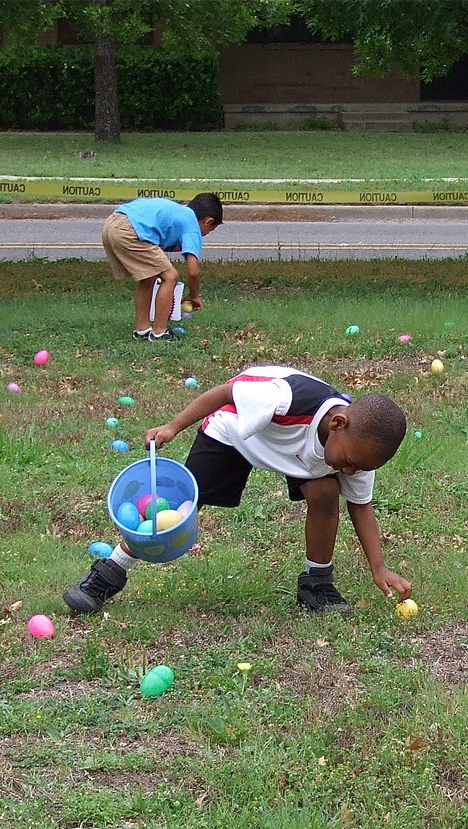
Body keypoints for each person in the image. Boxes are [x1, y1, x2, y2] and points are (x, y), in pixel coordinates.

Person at [64, 365, 412, 616]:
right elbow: (228, 391)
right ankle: (108, 573)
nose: (350, 471)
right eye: (349, 462)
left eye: (358, 468)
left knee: (325, 492)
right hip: (235, 435)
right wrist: (173, 427)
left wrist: (379, 568)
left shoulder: (357, 451)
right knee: (180, 508)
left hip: (299, 457)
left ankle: (317, 586)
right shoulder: (285, 399)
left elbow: (361, 508)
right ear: (338, 424)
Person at [101, 193, 223, 342]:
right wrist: (194, 295)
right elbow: (193, 271)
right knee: (170, 277)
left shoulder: (179, 213)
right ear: (208, 221)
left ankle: (142, 330)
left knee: (149, 276)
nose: (205, 235)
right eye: (209, 230)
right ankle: (159, 332)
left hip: (112, 223)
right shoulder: (192, 225)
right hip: (130, 231)